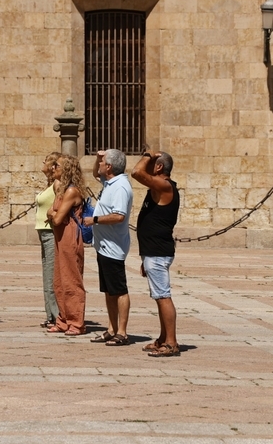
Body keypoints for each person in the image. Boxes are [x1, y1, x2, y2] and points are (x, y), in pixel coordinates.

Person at [131, 150, 181, 357]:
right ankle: (163, 338)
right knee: (158, 295)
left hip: (158, 252)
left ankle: (171, 342)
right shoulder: (158, 187)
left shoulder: (164, 185)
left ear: (158, 167)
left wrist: (147, 154)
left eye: (152, 163)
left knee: (163, 296)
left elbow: (136, 172)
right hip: (153, 252)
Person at [84, 149, 134, 346]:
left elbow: (118, 215)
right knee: (108, 290)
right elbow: (96, 174)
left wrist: (94, 220)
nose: (100, 164)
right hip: (103, 246)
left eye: (103, 161)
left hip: (114, 247)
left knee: (119, 289)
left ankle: (122, 332)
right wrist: (98, 159)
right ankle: (111, 328)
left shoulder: (120, 186)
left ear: (110, 166)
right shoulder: (110, 181)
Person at [46, 155, 88, 336]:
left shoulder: (71, 191)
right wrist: (52, 212)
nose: (53, 167)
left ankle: (76, 322)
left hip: (69, 237)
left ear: (67, 169)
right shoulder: (61, 190)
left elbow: (57, 219)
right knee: (59, 280)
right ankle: (63, 319)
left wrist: (51, 212)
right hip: (60, 237)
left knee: (71, 280)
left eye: (57, 165)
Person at [35, 152, 61, 328]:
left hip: (51, 232)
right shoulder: (49, 184)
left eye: (45, 160)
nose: (42, 163)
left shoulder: (58, 184)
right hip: (43, 233)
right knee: (46, 274)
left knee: (52, 275)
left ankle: (57, 316)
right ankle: (50, 315)